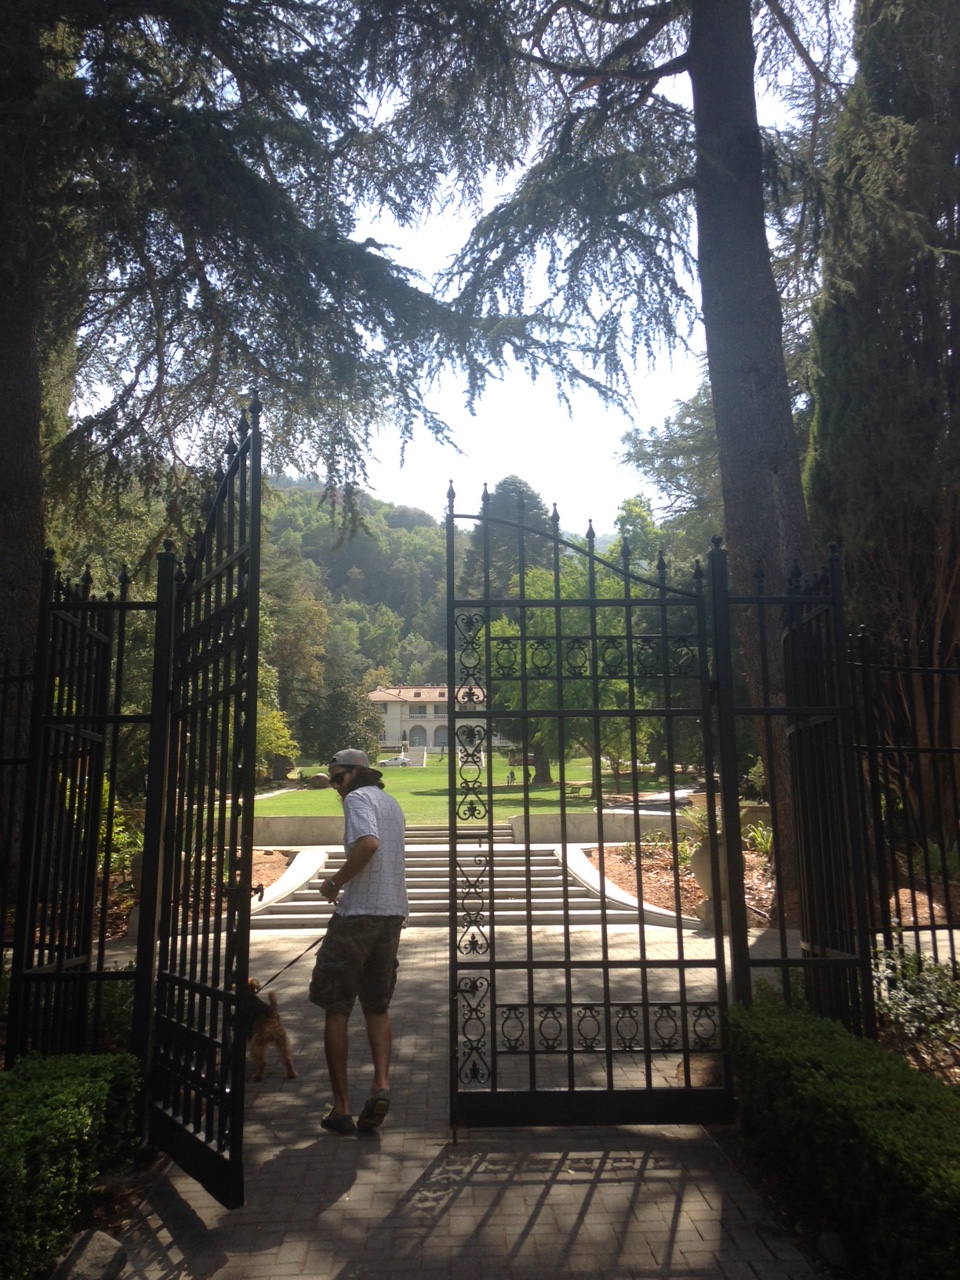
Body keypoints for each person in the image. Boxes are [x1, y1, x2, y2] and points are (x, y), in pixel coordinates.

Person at [308, 748, 407, 1135]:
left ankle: (342, 1109)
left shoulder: (357, 799)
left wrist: (334, 883)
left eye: (339, 777)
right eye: (332, 779)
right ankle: (381, 1086)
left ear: (357, 773)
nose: (336, 786)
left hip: (357, 918)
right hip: (391, 915)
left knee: (336, 1007)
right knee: (377, 1006)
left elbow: (368, 844)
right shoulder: (392, 803)